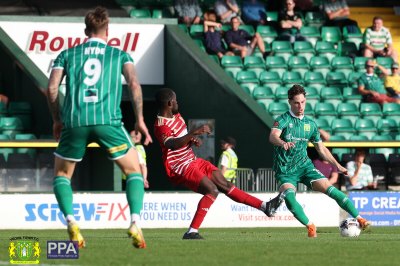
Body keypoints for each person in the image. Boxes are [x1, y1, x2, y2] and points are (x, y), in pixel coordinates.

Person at [46, 6, 152, 249]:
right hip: (108, 121)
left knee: (62, 176)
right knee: (134, 171)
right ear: (108, 31)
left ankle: (71, 221)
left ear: (86, 30)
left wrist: (57, 120)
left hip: (74, 121)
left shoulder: (66, 55)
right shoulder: (120, 55)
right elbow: (134, 84)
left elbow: (52, 88)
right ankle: (135, 221)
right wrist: (140, 119)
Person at [154, 88, 279, 239]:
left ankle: (265, 206)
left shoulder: (177, 116)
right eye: (175, 100)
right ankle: (191, 231)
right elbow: (172, 144)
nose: (177, 103)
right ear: (169, 103)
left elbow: (181, 139)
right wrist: (193, 132)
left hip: (193, 160)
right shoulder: (161, 125)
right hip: (181, 166)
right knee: (212, 190)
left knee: (225, 185)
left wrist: (192, 140)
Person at [267, 84, 371, 237]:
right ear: (290, 102)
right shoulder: (283, 119)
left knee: (331, 189)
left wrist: (338, 165)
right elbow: (273, 136)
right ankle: (310, 226)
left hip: (305, 166)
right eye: (296, 102)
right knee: (289, 197)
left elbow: (321, 149)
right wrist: (283, 143)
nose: (300, 106)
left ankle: (360, 219)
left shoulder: (310, 124)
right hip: (285, 169)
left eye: (303, 102)